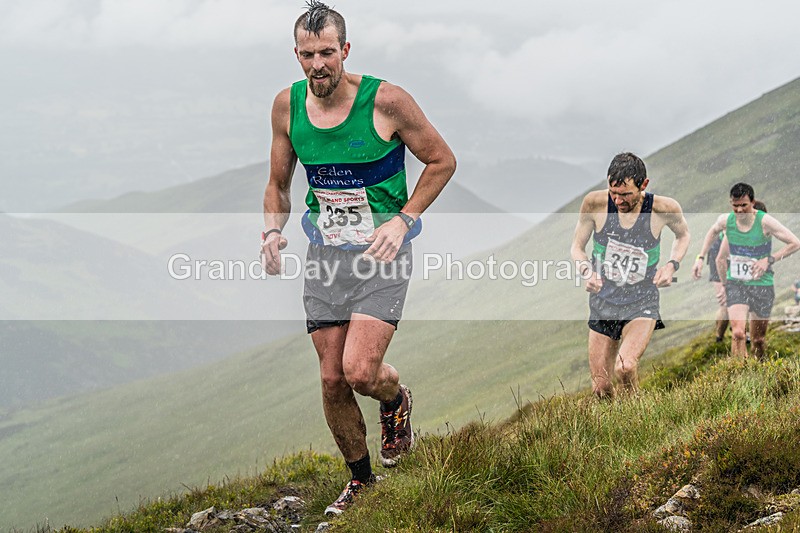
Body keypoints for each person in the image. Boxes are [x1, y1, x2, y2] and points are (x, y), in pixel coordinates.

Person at [261, 1, 456, 516]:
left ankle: (395, 399)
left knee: (360, 372)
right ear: (296, 56)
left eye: (328, 52)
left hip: (382, 255)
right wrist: (271, 232)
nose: (318, 64)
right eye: (308, 55)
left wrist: (403, 219)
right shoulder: (287, 106)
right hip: (325, 255)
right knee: (330, 378)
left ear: (345, 50)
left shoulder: (386, 101)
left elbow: (442, 161)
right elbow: (278, 184)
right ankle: (361, 480)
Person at [571, 152, 690, 398]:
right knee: (601, 389)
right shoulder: (595, 204)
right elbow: (577, 247)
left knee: (625, 368)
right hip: (604, 300)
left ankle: (637, 418)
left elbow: (683, 235)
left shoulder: (663, 208)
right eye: (613, 193)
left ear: (644, 184)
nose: (618, 200)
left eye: (625, 194)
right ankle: (616, 431)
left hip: (641, 300)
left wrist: (671, 265)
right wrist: (587, 271)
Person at [714, 184, 800, 359]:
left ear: (752, 203)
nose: (739, 210)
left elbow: (795, 243)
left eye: (743, 205)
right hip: (737, 284)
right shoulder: (730, 225)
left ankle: (759, 365)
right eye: (735, 205)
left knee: (758, 340)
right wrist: (725, 285)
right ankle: (737, 373)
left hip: (762, 285)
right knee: (738, 333)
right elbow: (720, 259)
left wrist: (768, 260)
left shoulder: (764, 222)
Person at [691, 199, 767, 343]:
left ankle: (741, 332)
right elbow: (713, 234)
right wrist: (700, 257)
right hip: (719, 255)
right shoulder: (732, 224)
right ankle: (719, 338)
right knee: (726, 302)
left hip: (738, 257)